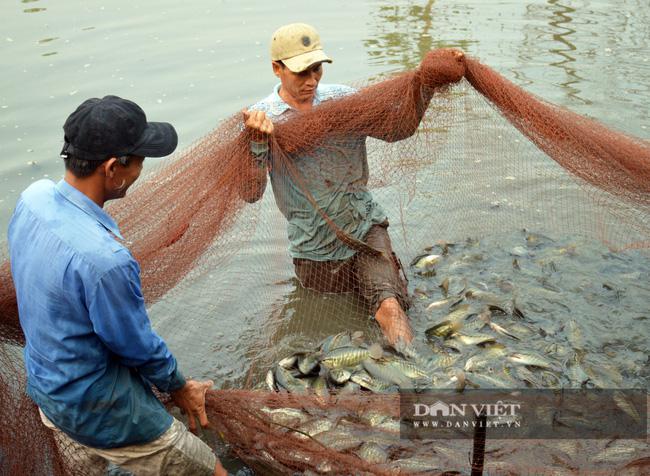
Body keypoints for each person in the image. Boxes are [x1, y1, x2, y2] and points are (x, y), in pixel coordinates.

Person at [8, 96, 227, 476]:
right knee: (211, 470)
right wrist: (180, 386)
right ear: (113, 169)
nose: (142, 169)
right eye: (140, 159)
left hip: (48, 396)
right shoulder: (107, 261)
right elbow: (137, 346)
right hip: (100, 408)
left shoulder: (33, 199)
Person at [240, 23, 464, 347]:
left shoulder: (342, 100)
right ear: (277, 68)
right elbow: (250, 193)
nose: (312, 80)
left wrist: (426, 84)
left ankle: (417, 379)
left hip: (365, 228)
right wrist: (259, 143)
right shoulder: (260, 119)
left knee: (390, 307)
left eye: (317, 69)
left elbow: (397, 129)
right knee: (327, 332)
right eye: (302, 72)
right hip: (313, 246)